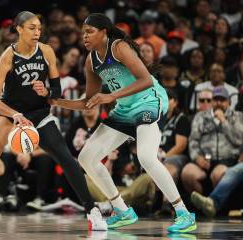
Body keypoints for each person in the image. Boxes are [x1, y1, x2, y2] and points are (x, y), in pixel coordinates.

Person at [0, 11, 107, 231]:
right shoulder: (7, 57)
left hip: (39, 113)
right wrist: (15, 115)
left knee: (67, 159)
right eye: (32, 28)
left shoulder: (46, 52)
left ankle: (92, 211)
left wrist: (46, 90)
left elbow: (56, 91)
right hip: (11, 112)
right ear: (19, 29)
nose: (37, 32)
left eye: (39, 28)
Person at [50, 13, 196, 233]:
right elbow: (88, 102)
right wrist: (54, 100)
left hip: (149, 100)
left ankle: (184, 213)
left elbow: (146, 79)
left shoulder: (118, 47)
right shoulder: (91, 61)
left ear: (104, 32)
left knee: (146, 156)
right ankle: (122, 211)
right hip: (125, 108)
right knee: (86, 157)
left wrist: (110, 97)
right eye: (83, 33)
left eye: (90, 31)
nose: (85, 36)